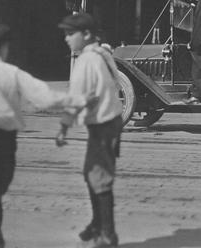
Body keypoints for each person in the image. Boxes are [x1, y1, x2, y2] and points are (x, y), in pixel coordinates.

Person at [0, 23, 94, 248]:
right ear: (2, 48)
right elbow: (44, 98)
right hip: (6, 142)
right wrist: (77, 100)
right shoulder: (11, 73)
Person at [56, 13, 123, 248]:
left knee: (99, 177)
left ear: (86, 35)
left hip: (103, 125)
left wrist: (64, 124)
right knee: (91, 173)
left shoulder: (87, 60)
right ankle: (97, 223)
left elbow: (81, 96)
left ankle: (107, 234)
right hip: (110, 122)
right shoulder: (102, 53)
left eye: (70, 34)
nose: (66, 39)